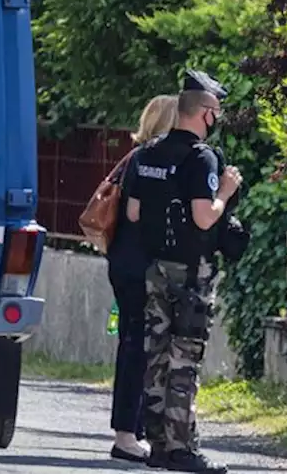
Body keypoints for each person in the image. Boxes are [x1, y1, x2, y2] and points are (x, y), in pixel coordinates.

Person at [124, 70, 242, 474]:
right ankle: (181, 447)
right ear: (206, 113)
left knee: (155, 355)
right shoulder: (201, 158)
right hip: (191, 274)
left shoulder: (147, 153)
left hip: (155, 269)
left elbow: (133, 213)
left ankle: (157, 444)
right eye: (217, 112)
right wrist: (224, 193)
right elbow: (204, 218)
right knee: (184, 360)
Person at [107, 94, 178, 463]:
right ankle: (125, 434)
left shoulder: (136, 158)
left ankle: (134, 429)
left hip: (123, 261)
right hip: (139, 265)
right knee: (138, 346)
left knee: (137, 344)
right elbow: (136, 213)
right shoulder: (150, 160)